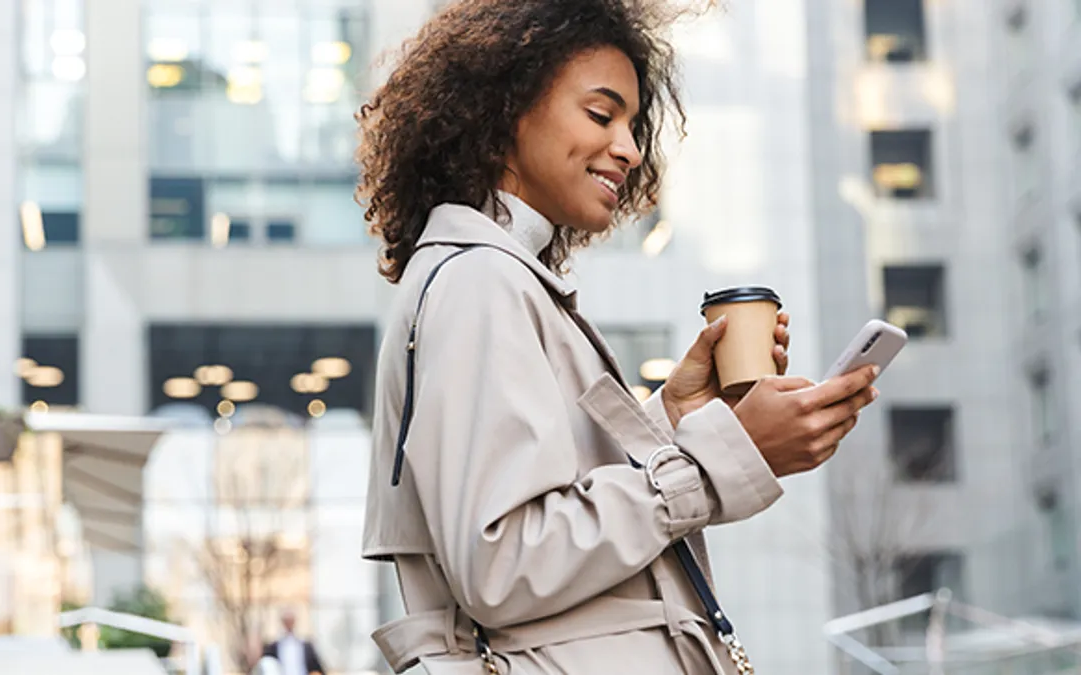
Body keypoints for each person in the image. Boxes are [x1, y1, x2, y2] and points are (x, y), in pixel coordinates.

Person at [357, 0, 880, 672]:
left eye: (632, 125)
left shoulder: (497, 277)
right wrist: (725, 456)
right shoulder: (481, 280)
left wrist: (674, 417)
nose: (630, 149)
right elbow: (504, 562)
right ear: (502, 111)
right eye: (601, 115)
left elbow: (550, 505)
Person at [260, 611, 324, 675]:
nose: (289, 624)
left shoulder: (306, 646)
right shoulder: (273, 647)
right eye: (286, 621)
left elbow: (316, 667)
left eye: (290, 621)